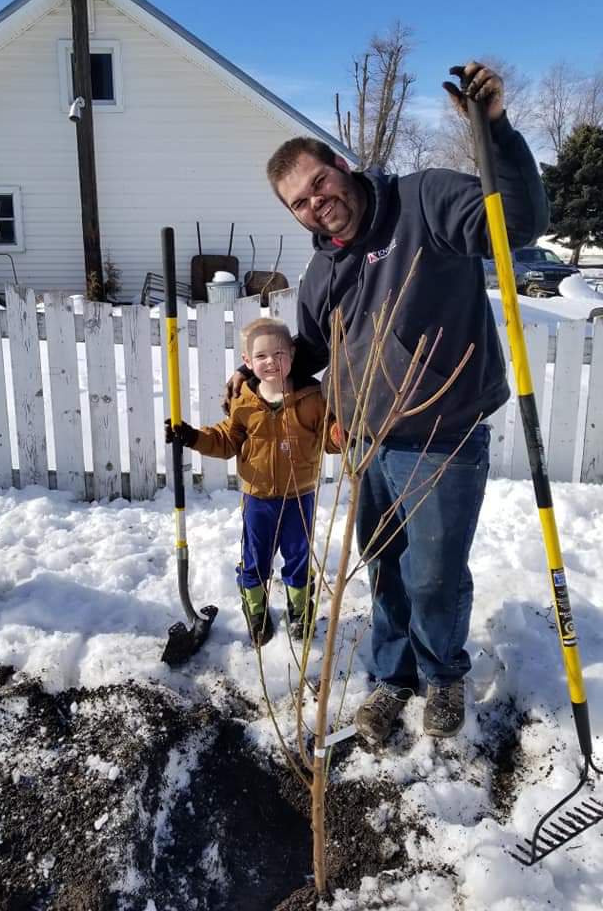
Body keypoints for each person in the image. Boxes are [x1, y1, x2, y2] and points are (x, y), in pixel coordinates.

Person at [231, 61, 549, 739]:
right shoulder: (323, 272)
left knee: (433, 574)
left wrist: (495, 132)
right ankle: (391, 677)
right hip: (367, 443)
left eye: (320, 183)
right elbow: (311, 352)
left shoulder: (424, 200)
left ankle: (442, 675)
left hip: (442, 436)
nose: (317, 203)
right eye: (301, 202)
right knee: (384, 570)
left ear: (341, 166)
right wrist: (259, 374)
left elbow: (517, 223)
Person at [166, 317, 337, 646]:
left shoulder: (313, 398)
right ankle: (256, 610)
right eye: (261, 356)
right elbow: (225, 440)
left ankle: (300, 611)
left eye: (279, 354)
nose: (271, 362)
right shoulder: (243, 401)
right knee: (255, 557)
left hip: (299, 495)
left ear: (292, 354)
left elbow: (328, 436)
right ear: (247, 361)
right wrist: (192, 436)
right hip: (257, 498)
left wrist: (341, 434)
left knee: (299, 555)